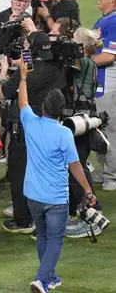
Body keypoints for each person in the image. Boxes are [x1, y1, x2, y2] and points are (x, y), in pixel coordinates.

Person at [15, 61, 96, 293]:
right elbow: (76, 167)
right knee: (55, 240)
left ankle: (49, 278)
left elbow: (22, 102)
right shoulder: (64, 133)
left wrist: (22, 77)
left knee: (43, 236)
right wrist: (88, 190)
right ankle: (41, 280)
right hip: (56, 198)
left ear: (43, 107)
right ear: (62, 110)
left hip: (33, 194)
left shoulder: (30, 122)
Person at [0, 28, 66, 233]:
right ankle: (42, 214)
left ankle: (23, 220)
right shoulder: (57, 68)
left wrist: (3, 70)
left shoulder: (26, 71)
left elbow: (4, 93)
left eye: (27, 45)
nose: (24, 47)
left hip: (24, 130)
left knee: (19, 174)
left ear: (32, 49)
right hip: (49, 129)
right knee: (42, 173)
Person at [64, 28, 103, 238]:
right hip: (82, 121)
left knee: (77, 166)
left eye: (73, 41)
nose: (70, 43)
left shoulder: (84, 62)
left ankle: (93, 213)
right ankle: (77, 210)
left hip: (79, 122)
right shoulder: (89, 63)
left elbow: (67, 63)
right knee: (77, 165)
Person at [0, 0, 33, 136]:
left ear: (28, 4)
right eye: (15, 0)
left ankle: (10, 154)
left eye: (22, 1)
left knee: (15, 117)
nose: (18, 4)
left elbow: (34, 49)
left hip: (20, 74)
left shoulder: (30, 22)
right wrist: (9, 28)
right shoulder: (0, 19)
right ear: (11, 1)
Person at [92, 0, 116, 190]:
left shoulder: (115, 21)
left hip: (108, 85)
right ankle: (104, 171)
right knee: (99, 130)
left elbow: (108, 56)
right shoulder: (105, 19)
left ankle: (112, 176)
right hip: (98, 84)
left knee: (109, 130)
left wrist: (84, 62)